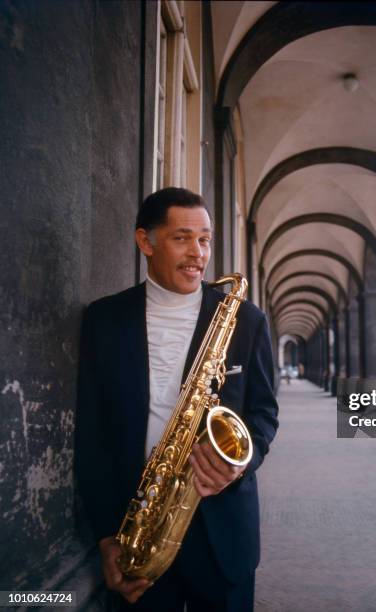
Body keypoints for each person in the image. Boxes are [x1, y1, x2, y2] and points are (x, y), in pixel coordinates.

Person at [74, 187, 279, 611]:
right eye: (181, 238)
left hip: (223, 531)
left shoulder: (247, 320)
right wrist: (105, 534)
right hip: (138, 527)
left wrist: (239, 463)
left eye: (204, 239)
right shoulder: (104, 319)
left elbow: (263, 414)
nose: (197, 253)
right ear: (145, 241)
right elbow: (91, 435)